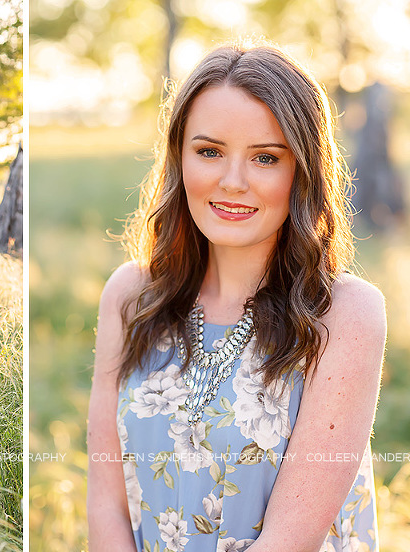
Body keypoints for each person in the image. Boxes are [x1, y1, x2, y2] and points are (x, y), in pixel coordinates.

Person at [87, 41, 386, 552]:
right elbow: (106, 505)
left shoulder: (344, 313)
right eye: (209, 151)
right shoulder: (131, 297)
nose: (232, 182)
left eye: (265, 158)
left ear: (303, 172)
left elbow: (291, 540)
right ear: (179, 157)